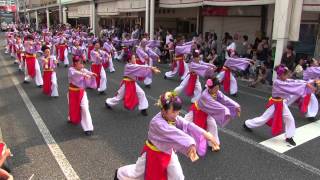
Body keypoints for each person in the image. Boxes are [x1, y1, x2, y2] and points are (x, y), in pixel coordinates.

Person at [114, 91, 220, 180]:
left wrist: (205, 133)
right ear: (164, 110)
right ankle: (119, 173)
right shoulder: (157, 123)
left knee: (178, 176)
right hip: (153, 152)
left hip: (168, 151)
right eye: (174, 112)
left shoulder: (171, 117)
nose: (176, 115)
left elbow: (186, 124)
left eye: (178, 112)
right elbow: (175, 133)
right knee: (136, 173)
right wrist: (191, 143)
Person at [244, 65, 316, 146]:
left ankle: (289, 136)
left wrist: (309, 82)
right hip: (275, 104)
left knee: (290, 118)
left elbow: (294, 82)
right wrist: (306, 85)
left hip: (281, 103)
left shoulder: (284, 80)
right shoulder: (277, 82)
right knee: (263, 119)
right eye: (286, 75)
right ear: (281, 75)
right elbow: (291, 86)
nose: (288, 76)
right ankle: (247, 124)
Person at [185, 77, 240, 148]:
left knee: (213, 125)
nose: (217, 90)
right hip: (198, 111)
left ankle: (214, 143)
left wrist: (235, 105)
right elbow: (217, 105)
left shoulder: (216, 92)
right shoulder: (205, 96)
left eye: (218, 88)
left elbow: (225, 99)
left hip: (208, 111)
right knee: (186, 122)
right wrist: (226, 111)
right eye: (216, 88)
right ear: (210, 88)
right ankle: (180, 136)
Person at [68, 56, 97, 136]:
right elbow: (77, 73)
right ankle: (71, 117)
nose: (82, 65)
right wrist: (84, 74)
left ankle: (88, 128)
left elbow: (86, 71)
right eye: (81, 63)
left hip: (81, 92)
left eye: (82, 63)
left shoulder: (82, 69)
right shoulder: (71, 70)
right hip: (72, 92)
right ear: (75, 63)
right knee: (73, 107)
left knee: (85, 107)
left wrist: (92, 74)